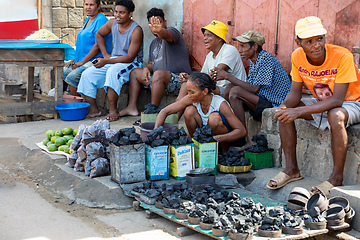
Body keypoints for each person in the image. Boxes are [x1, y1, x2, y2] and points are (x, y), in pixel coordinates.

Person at [267, 16, 360, 197]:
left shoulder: (343, 56)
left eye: (320, 39)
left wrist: (299, 111)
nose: (316, 45)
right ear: (298, 42)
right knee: (285, 113)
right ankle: (291, 170)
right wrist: (284, 107)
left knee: (335, 115)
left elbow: (337, 101)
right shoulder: (297, 57)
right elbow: (295, 93)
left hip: (352, 102)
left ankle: (336, 178)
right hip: (322, 102)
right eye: (309, 41)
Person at [210, 30, 291, 149]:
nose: (240, 50)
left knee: (235, 92)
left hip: (275, 103)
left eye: (243, 46)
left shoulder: (266, 58)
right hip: (262, 99)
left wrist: (227, 76)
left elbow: (254, 89)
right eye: (240, 46)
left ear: (255, 46)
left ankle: (243, 139)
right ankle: (232, 130)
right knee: (229, 88)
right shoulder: (254, 61)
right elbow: (249, 85)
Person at [118, 7, 192, 117]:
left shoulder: (173, 32)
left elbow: (166, 35)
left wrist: (160, 31)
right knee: (135, 72)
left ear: (165, 22)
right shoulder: (153, 43)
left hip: (179, 80)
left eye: (159, 23)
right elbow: (151, 63)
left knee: (158, 74)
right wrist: (146, 69)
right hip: (158, 82)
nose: (155, 27)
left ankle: (152, 112)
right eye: (152, 24)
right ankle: (131, 107)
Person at [77, 0, 143, 119]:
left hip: (132, 63)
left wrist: (106, 60)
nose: (117, 15)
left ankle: (113, 111)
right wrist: (105, 54)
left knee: (112, 72)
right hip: (113, 60)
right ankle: (94, 110)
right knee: (87, 74)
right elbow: (99, 34)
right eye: (116, 12)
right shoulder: (112, 23)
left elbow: (130, 57)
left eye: (121, 13)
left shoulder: (136, 30)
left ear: (130, 14)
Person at [155, 72, 247, 152]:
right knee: (189, 111)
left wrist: (215, 139)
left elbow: (242, 131)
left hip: (224, 141)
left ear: (205, 91)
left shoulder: (220, 103)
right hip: (205, 139)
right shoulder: (191, 99)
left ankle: (223, 152)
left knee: (213, 118)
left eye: (192, 92)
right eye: (188, 92)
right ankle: (195, 144)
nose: (189, 95)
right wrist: (155, 134)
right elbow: (165, 111)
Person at [177, 20, 247, 101]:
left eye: (209, 35)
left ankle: (172, 111)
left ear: (219, 38)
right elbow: (203, 76)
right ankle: (175, 111)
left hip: (231, 92)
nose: (205, 38)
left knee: (196, 89)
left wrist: (193, 80)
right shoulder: (210, 55)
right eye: (204, 35)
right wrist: (189, 78)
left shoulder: (229, 50)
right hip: (216, 89)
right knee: (186, 85)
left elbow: (214, 73)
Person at [63, 0, 112, 96]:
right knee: (65, 70)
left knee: (72, 77)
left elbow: (97, 45)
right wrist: (76, 59)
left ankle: (76, 104)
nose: (88, 7)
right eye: (86, 4)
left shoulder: (101, 20)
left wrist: (82, 62)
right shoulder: (88, 19)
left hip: (95, 60)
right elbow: (84, 43)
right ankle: (72, 99)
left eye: (91, 5)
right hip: (84, 59)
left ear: (98, 7)